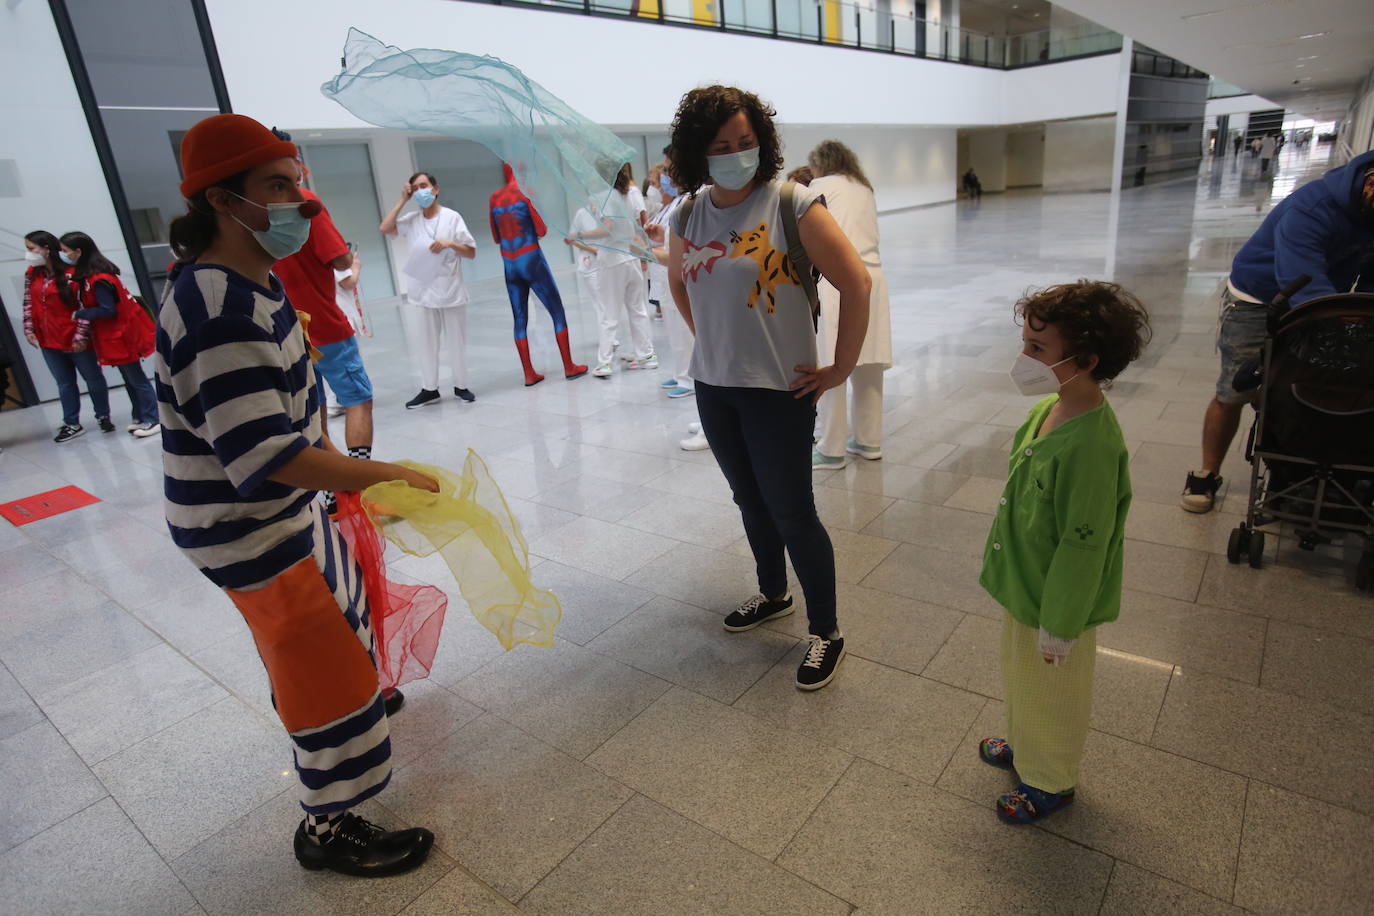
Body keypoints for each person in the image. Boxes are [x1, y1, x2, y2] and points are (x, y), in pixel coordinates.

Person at [159, 113, 438, 876]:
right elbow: (265, 454)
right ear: (223, 200)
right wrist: (383, 472)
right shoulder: (218, 308)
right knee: (321, 668)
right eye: (277, 186)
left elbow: (290, 415)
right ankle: (329, 824)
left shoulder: (252, 281)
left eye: (298, 180)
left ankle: (352, 695)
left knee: (343, 621)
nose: (300, 200)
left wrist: (339, 481)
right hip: (246, 524)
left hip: (280, 511)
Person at [666, 85, 871, 690]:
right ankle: (773, 593)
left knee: (793, 511)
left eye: (746, 143)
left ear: (763, 142)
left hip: (780, 391)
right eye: (722, 146)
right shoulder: (686, 212)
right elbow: (680, 280)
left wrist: (841, 367)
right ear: (697, 154)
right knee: (749, 501)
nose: (736, 154)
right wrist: (709, 338)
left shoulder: (793, 204)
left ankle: (827, 631)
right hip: (715, 386)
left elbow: (856, 283)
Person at [979, 280, 1149, 824]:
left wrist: (1062, 623)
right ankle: (1026, 745)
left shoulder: (1094, 446)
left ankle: (1049, 781)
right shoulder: (1052, 408)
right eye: (1025, 344)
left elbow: (1085, 546)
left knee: (1054, 692)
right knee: (1021, 674)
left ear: (1086, 360)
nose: (1023, 359)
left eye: (1037, 350)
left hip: (1056, 601)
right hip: (1025, 584)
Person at [1182, 150, 1374, 512]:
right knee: (1236, 388)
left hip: (1322, 299)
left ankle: (1300, 466)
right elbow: (1301, 280)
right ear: (1369, 185)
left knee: (1313, 385)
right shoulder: (1313, 207)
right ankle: (1207, 473)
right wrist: (1338, 331)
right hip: (1259, 297)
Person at [271, 164, 377, 499]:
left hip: (284, 330)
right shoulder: (303, 203)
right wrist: (351, 258)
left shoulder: (252, 212)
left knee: (313, 409)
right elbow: (340, 260)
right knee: (357, 399)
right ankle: (355, 483)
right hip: (324, 324)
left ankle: (330, 489)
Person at [807, 140, 892, 470]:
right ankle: (869, 441)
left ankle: (831, 448)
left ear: (820, 164)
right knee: (869, 365)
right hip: (873, 278)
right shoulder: (864, 187)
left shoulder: (820, 185)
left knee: (833, 363)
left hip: (837, 279)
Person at [380, 171, 478, 408]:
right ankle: (429, 388)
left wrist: (450, 243)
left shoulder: (452, 217)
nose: (420, 191)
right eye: (415, 188)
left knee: (456, 341)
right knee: (426, 344)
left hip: (450, 289)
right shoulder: (412, 220)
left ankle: (461, 385)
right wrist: (402, 200)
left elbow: (471, 252)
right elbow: (385, 228)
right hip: (422, 291)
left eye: (424, 186)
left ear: (435, 189)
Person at [489, 162, 588, 386]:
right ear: (522, 172)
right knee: (557, 311)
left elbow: (496, 237)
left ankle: (528, 373)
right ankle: (569, 366)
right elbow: (541, 229)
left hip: (510, 264)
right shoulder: (526, 194)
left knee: (520, 319)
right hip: (531, 259)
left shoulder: (494, 198)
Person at [58, 232, 159, 438]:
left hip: (122, 335)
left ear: (79, 251)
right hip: (113, 336)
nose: (63, 255)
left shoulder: (100, 279)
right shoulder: (89, 276)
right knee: (129, 378)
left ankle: (153, 418)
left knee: (136, 378)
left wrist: (81, 313)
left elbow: (108, 309)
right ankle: (140, 415)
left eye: (66, 251)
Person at [22, 230, 112, 442]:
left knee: (93, 378)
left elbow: (84, 305)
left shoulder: (74, 273)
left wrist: (81, 335)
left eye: (31, 248)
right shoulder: (32, 273)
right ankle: (72, 423)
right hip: (48, 339)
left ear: (46, 249)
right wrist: (29, 329)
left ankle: (103, 416)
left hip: (75, 336)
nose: (28, 254)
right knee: (64, 383)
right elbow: (28, 302)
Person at [570, 162, 657, 378]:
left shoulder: (605, 196)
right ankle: (646, 355)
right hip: (631, 258)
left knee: (608, 314)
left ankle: (605, 362)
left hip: (612, 260)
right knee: (638, 309)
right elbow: (636, 224)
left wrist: (580, 235)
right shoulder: (632, 193)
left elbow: (608, 228)